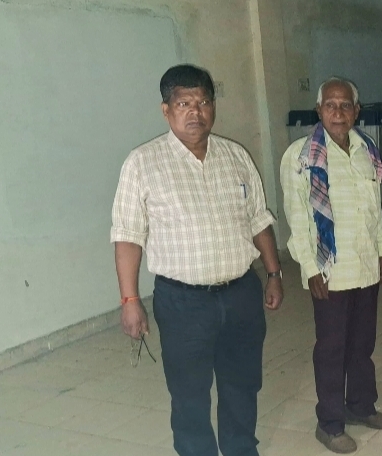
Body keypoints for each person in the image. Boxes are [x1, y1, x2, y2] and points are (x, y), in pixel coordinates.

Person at [111, 64, 284, 456]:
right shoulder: (143, 162)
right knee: (189, 393)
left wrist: (274, 272)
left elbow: (258, 219)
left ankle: (241, 450)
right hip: (183, 303)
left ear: (213, 106)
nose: (195, 112)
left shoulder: (236, 156)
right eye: (184, 103)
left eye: (203, 102)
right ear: (166, 110)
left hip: (240, 294)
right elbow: (127, 237)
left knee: (242, 384)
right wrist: (130, 300)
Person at [281, 77, 382, 454]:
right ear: (319, 110)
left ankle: (361, 406)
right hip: (329, 270)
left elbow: (374, 210)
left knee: (362, 343)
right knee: (332, 347)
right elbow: (297, 218)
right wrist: (310, 268)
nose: (338, 112)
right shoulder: (300, 156)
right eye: (330, 105)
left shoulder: (366, 150)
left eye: (346, 105)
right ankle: (330, 423)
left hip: (365, 265)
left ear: (356, 111)